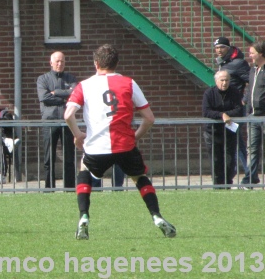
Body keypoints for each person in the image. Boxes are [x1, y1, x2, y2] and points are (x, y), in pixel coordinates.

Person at [64, 44, 176, 240]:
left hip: (97, 147)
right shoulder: (129, 83)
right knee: (139, 177)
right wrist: (135, 136)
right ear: (116, 64)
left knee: (84, 170)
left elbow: (68, 115)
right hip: (125, 145)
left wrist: (78, 134)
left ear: (96, 63)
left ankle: (83, 216)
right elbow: (149, 118)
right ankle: (156, 215)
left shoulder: (85, 85)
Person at [37, 51, 78, 188]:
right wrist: (65, 96)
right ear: (51, 63)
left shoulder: (70, 78)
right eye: (57, 61)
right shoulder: (43, 79)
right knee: (49, 157)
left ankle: (70, 188)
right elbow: (44, 98)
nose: (60, 64)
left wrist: (56, 93)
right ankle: (49, 188)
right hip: (49, 121)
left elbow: (76, 94)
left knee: (69, 156)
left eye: (62, 61)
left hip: (67, 122)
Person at [213, 36, 250, 186]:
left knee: (237, 143)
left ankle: (248, 174)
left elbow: (252, 81)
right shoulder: (223, 64)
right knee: (234, 143)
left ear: (228, 48)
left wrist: (245, 99)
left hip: (235, 109)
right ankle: (237, 175)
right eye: (216, 48)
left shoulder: (238, 63)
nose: (219, 50)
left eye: (222, 47)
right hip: (225, 110)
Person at [202, 70, 243, 186]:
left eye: (227, 80)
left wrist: (226, 115)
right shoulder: (209, 93)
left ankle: (228, 184)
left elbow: (239, 110)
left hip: (229, 132)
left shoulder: (234, 92)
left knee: (230, 161)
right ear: (216, 81)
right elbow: (206, 111)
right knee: (216, 161)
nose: (224, 83)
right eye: (222, 80)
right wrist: (221, 115)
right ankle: (217, 185)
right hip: (212, 133)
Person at [243, 41, 265, 188]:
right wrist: (246, 99)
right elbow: (251, 87)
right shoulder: (253, 70)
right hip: (253, 116)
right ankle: (250, 179)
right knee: (252, 149)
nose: (250, 56)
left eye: (252, 53)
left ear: (261, 53)